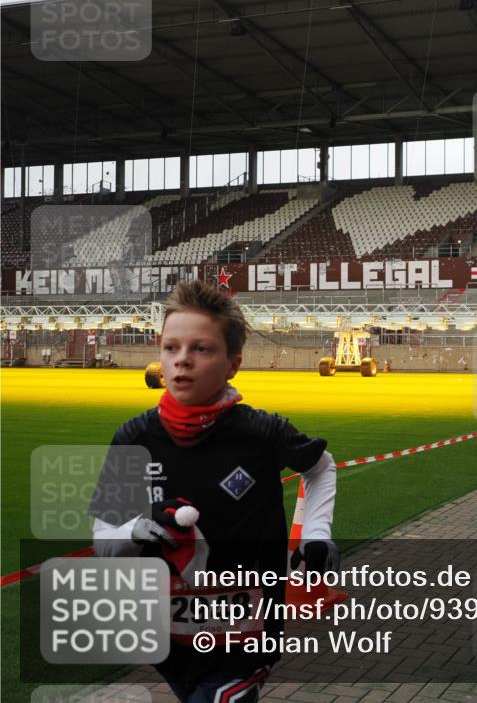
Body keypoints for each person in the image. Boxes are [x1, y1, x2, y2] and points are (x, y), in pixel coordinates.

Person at [90, 281, 339, 703]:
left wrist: (316, 534)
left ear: (232, 364)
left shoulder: (262, 432)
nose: (182, 360)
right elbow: (103, 540)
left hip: (246, 636)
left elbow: (321, 467)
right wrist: (138, 530)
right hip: (167, 634)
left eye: (201, 349)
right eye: (171, 348)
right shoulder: (134, 437)